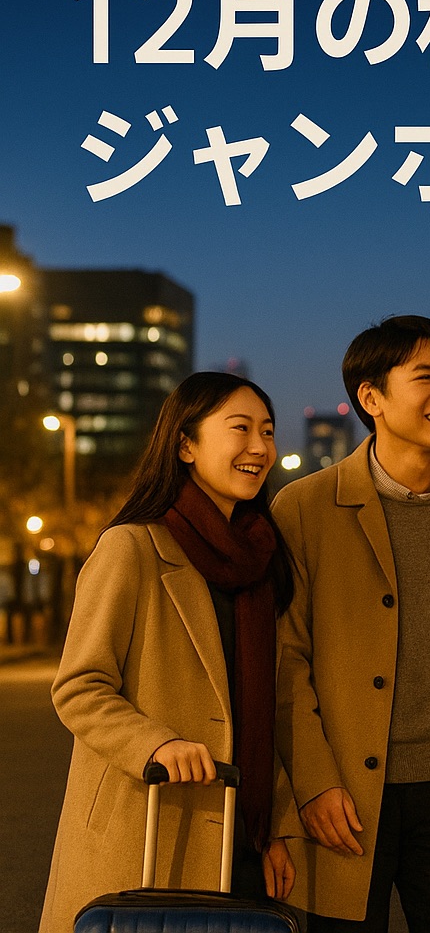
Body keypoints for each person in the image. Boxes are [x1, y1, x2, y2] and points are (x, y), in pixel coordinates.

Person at [273, 316, 430, 931]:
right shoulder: (305, 505)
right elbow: (286, 658)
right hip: (347, 790)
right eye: (425, 377)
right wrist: (315, 784)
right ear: (370, 398)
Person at [40, 373, 296, 933]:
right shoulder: (132, 546)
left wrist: (272, 829)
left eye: (268, 431)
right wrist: (158, 742)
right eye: (241, 429)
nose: (260, 447)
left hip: (238, 836)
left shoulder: (261, 562)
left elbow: (261, 714)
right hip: (147, 824)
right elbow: (79, 687)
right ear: (185, 445)